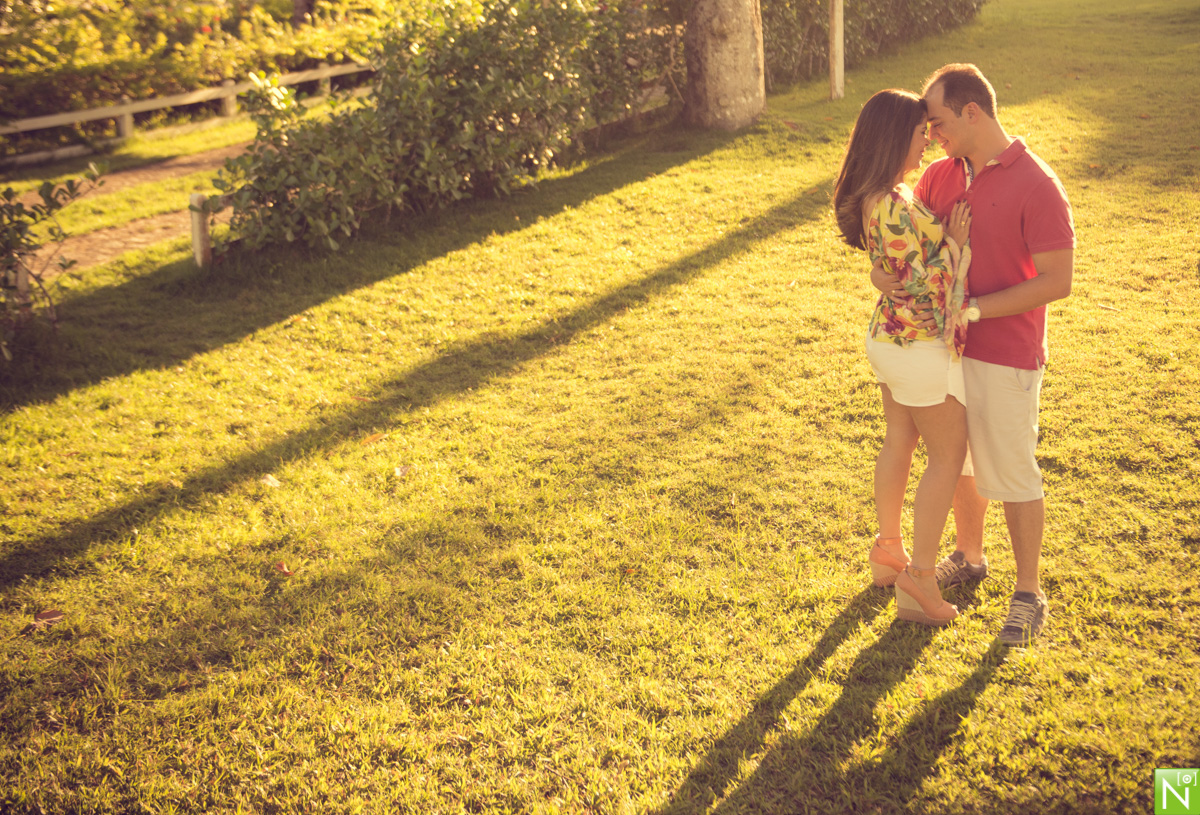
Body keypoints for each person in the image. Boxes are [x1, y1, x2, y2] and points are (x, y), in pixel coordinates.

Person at [873, 64, 1075, 645]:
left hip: (1007, 354)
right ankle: (968, 554)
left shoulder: (1038, 185)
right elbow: (909, 250)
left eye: (936, 122)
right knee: (957, 460)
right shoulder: (940, 177)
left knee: (1013, 471)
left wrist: (977, 310)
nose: (930, 133)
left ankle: (1029, 592)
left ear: (971, 112)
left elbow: (1058, 280)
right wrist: (877, 273)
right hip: (945, 351)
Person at [833, 88, 974, 627]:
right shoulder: (891, 203)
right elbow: (921, 284)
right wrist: (957, 244)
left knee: (900, 439)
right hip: (915, 343)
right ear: (897, 137)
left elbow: (895, 269)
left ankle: (888, 550)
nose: (929, 142)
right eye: (921, 134)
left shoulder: (884, 193)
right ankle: (918, 578)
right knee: (947, 454)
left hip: (891, 339)